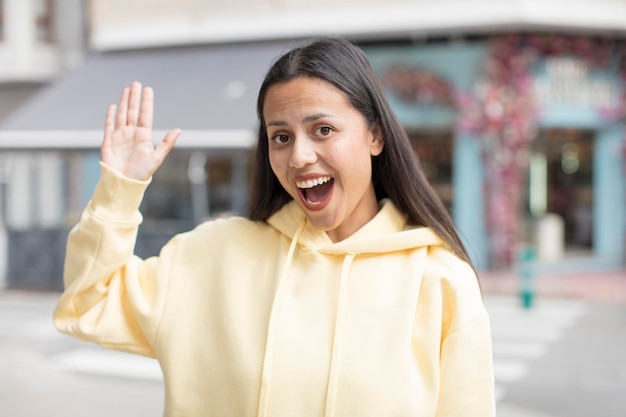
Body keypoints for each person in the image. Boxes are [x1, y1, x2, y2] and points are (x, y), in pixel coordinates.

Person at [53, 37, 495, 417]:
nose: (299, 156)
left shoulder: (440, 282)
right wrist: (120, 188)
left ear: (375, 136)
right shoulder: (212, 256)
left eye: (322, 129)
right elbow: (87, 304)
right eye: (280, 137)